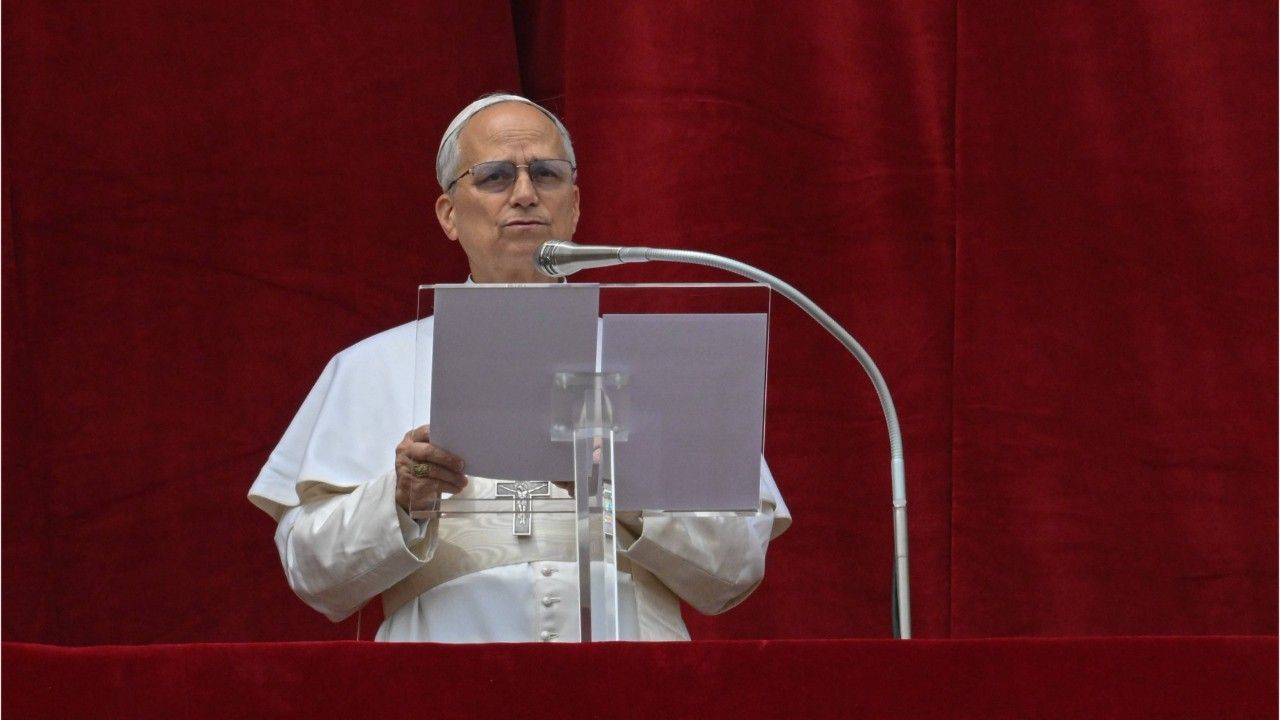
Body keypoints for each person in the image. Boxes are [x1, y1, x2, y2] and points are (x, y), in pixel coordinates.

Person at [248, 93, 790, 642]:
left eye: (547, 174)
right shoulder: (371, 367)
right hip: (444, 673)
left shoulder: (661, 365)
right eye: (495, 177)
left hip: (630, 673)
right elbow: (311, 574)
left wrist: (619, 487)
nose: (526, 194)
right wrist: (399, 501)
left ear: (574, 206)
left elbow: (736, 566)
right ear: (449, 215)